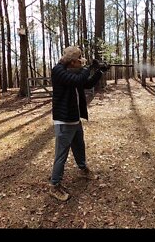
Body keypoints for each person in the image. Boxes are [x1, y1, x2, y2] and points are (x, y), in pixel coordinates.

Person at [48, 46, 108, 201]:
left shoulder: (73, 72)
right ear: (72, 61)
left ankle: (83, 169)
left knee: (79, 147)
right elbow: (78, 79)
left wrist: (100, 71)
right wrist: (89, 67)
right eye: (80, 59)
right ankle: (54, 185)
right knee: (61, 155)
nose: (82, 61)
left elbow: (86, 84)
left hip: (74, 118)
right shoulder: (58, 70)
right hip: (64, 120)